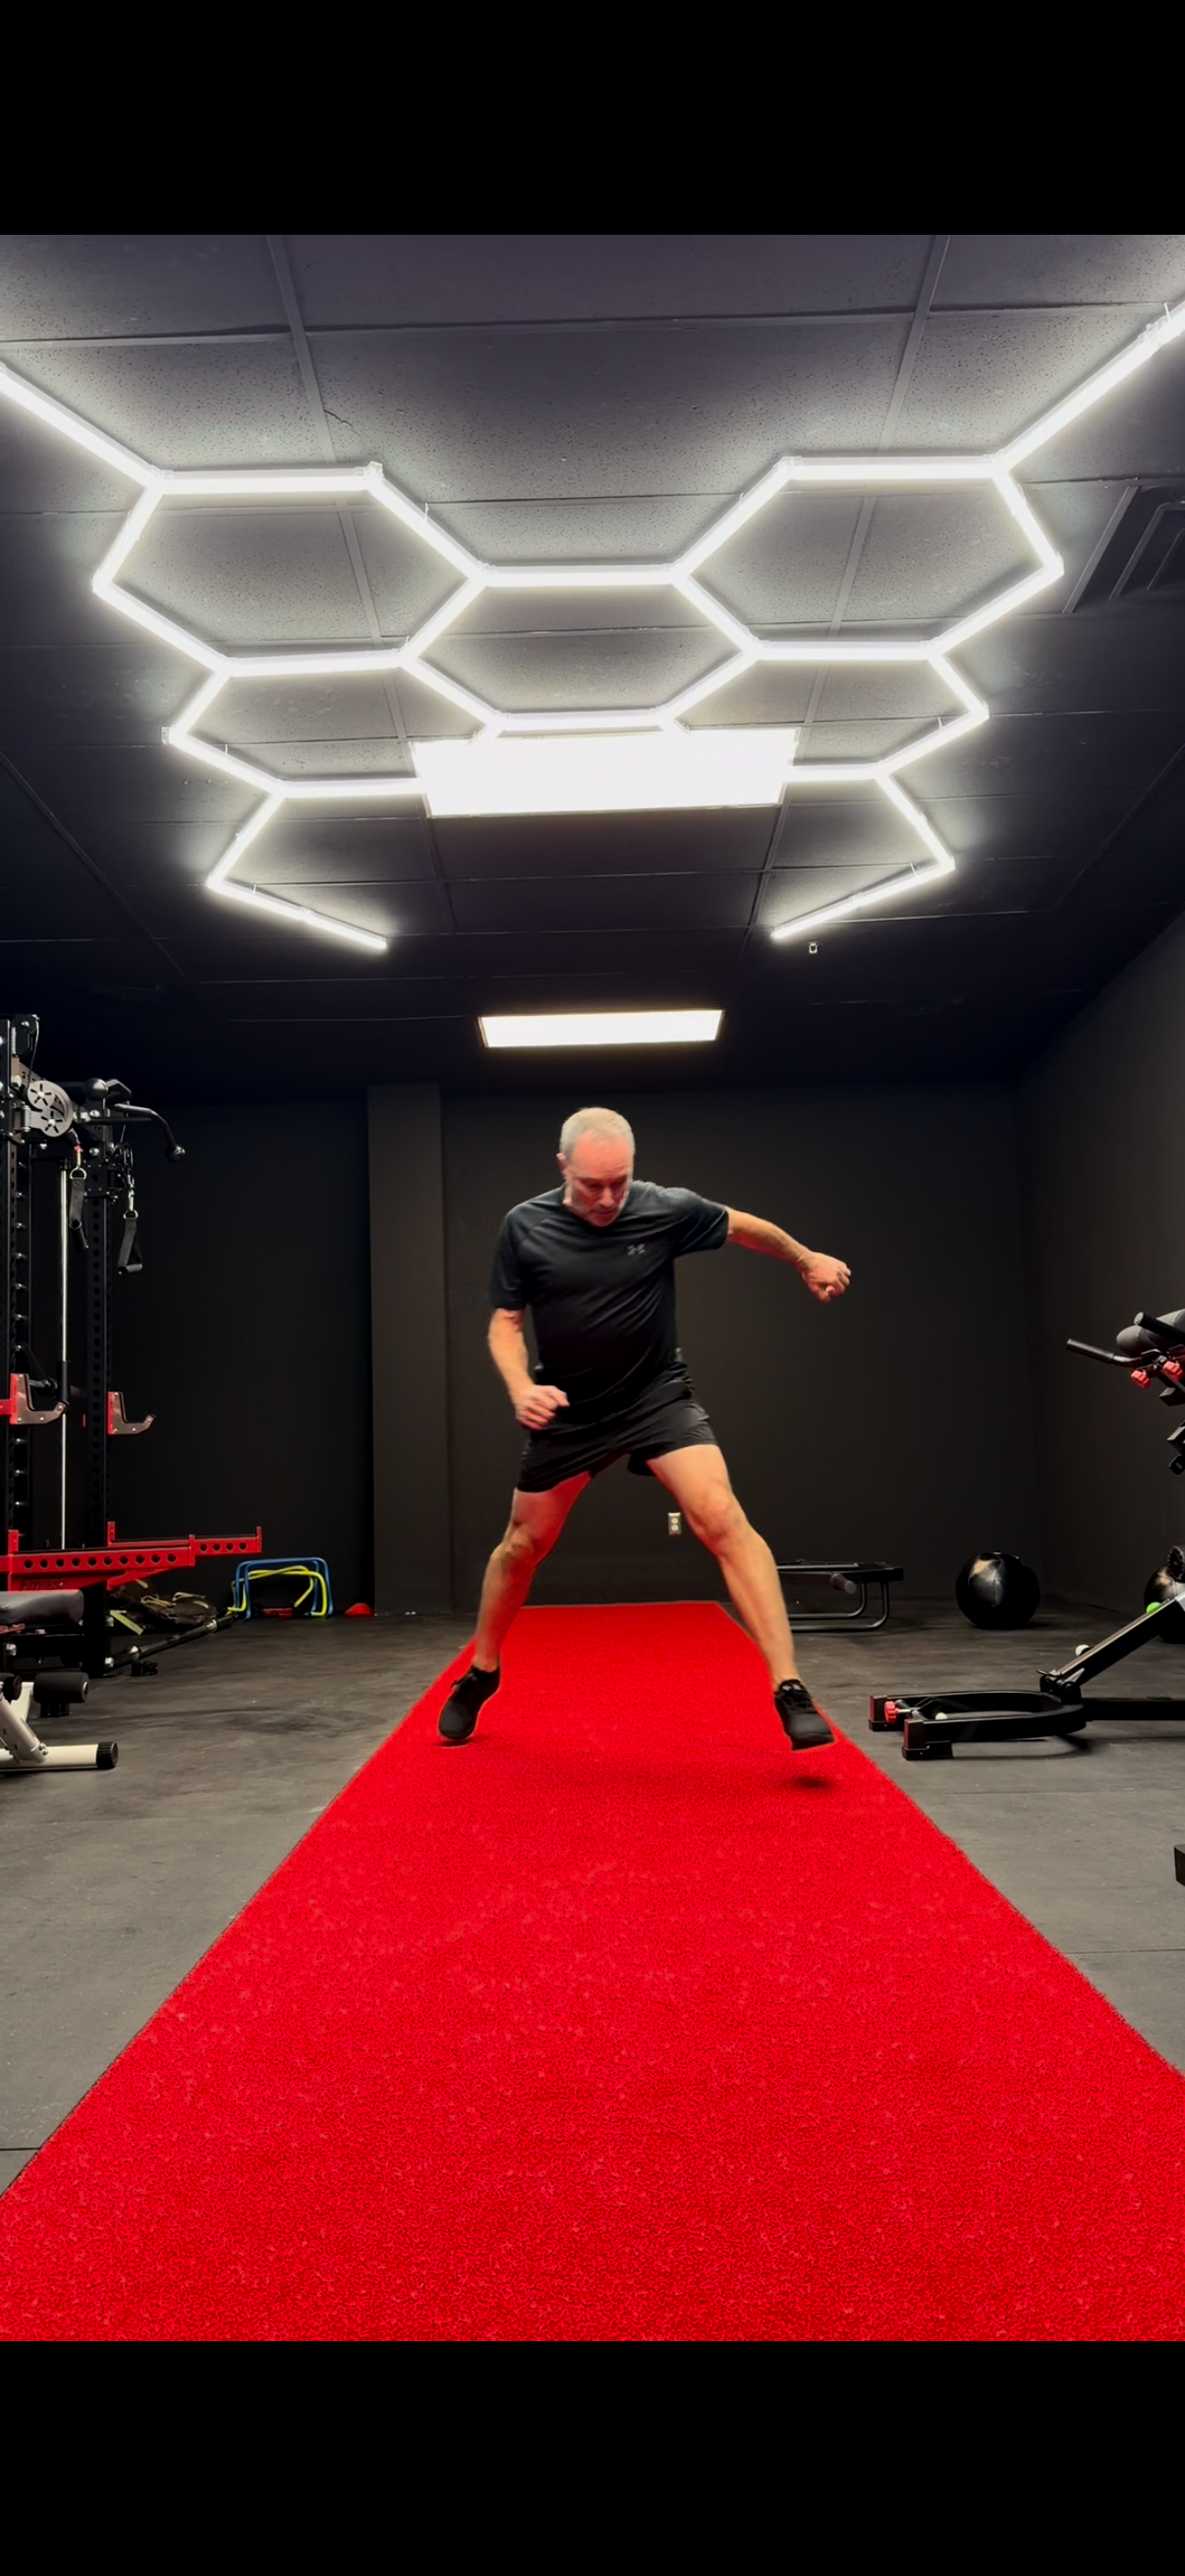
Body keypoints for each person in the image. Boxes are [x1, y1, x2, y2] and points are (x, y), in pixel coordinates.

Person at [439, 1107, 851, 1750]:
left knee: (721, 1517)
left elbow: (745, 1228)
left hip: (655, 1396)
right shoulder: (525, 1226)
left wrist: (805, 1259)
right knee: (521, 1546)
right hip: (570, 1410)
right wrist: (522, 1388)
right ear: (562, 1167)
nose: (608, 1199)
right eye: (591, 1186)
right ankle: (483, 1669)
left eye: (620, 1183)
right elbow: (505, 1324)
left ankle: (789, 1686)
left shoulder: (665, 1208)